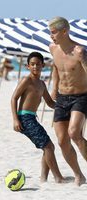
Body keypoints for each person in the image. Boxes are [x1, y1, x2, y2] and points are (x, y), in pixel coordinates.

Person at [11, 52, 64, 183]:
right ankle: (58, 178)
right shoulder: (26, 80)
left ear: (43, 65)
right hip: (24, 118)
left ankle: (43, 178)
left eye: (38, 64)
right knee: (48, 147)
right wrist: (15, 119)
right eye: (32, 64)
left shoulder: (41, 84)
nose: (35, 66)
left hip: (32, 119)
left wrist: (64, 107)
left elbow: (50, 103)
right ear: (28, 66)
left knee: (47, 147)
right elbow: (14, 98)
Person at [49, 16, 87, 186]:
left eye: (54, 32)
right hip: (62, 98)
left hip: (81, 97)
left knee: (74, 133)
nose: (51, 36)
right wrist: (53, 89)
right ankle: (79, 174)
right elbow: (57, 69)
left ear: (65, 31)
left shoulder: (80, 51)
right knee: (62, 140)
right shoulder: (52, 49)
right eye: (50, 33)